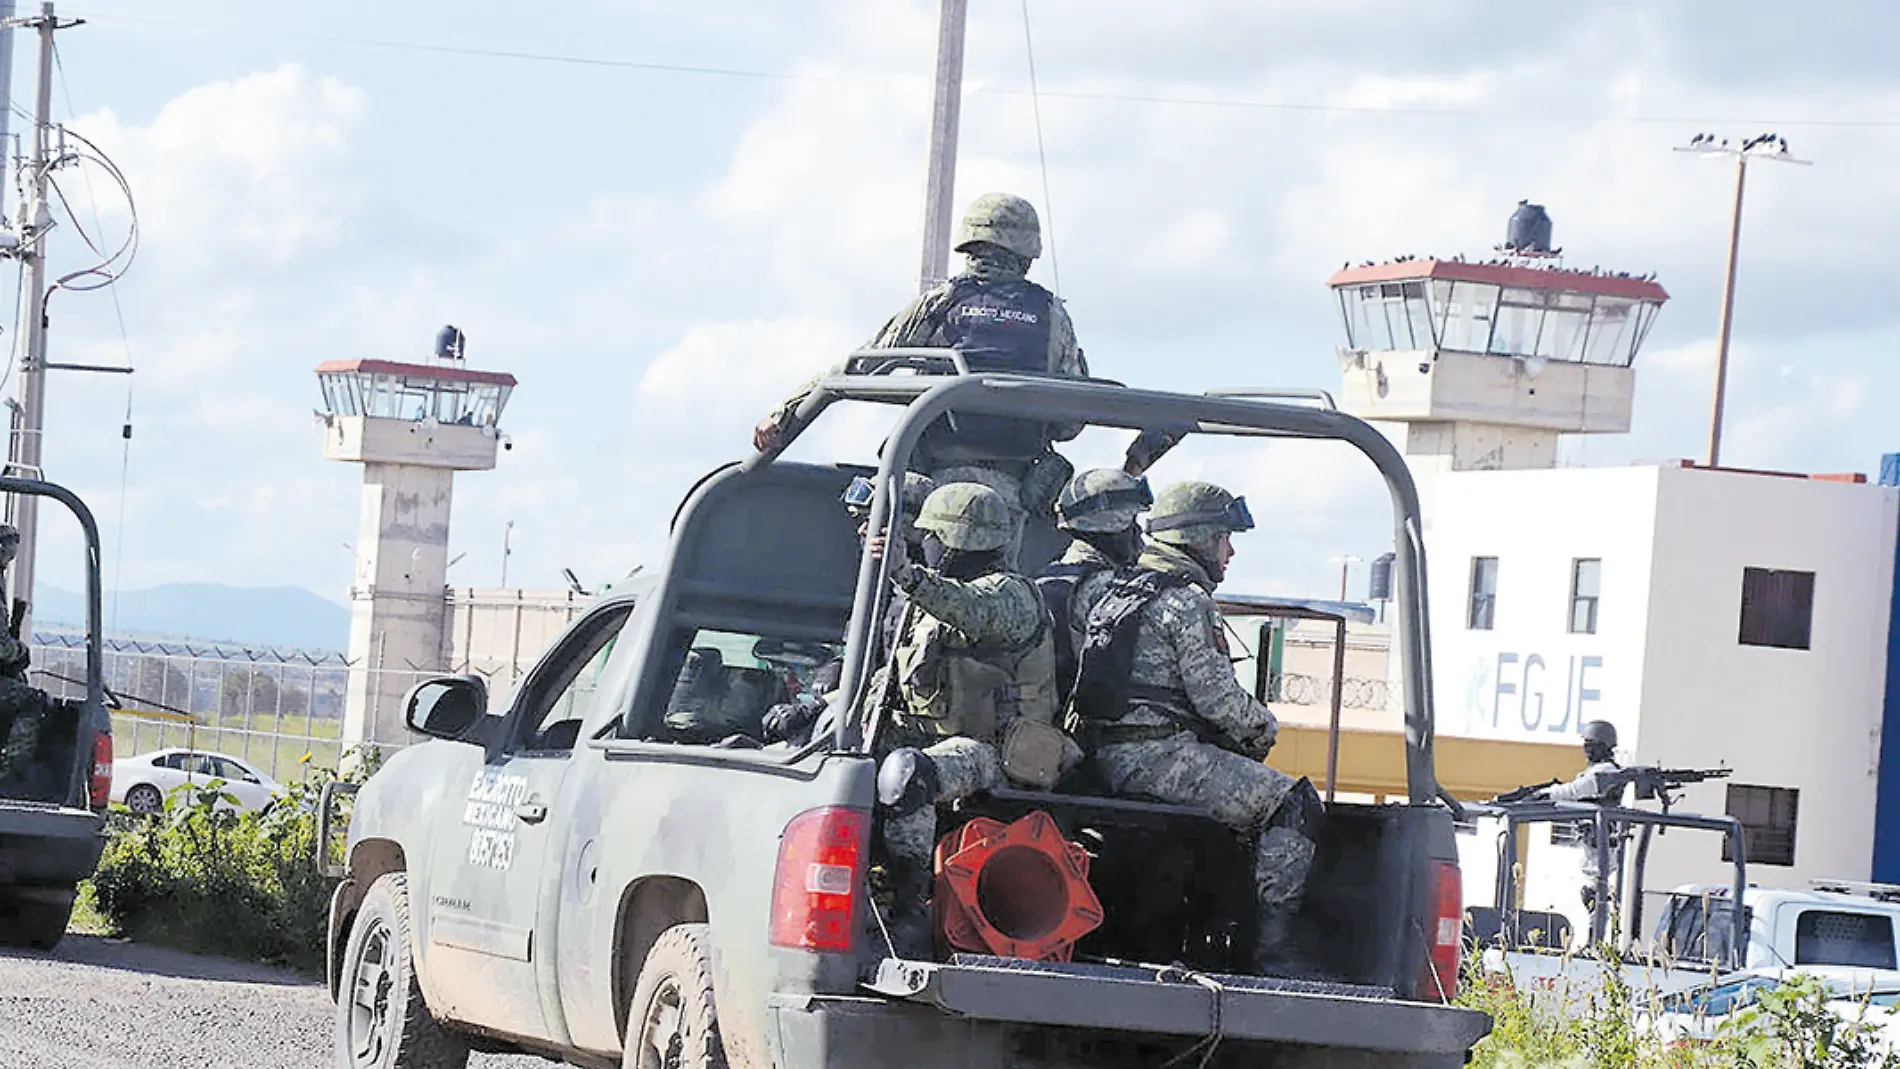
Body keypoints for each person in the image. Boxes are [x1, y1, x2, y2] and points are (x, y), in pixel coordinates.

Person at [750, 193, 1086, 567]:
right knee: (991, 592)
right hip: (1010, 488)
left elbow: (859, 365)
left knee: (912, 585)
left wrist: (785, 412)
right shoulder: (1052, 314)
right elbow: (1070, 422)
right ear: (1028, 250)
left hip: (930, 483)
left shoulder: (940, 301)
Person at [1070, 481, 1325, 973]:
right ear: (1199, 537)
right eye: (1223, 539)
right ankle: (1272, 952)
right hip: (1159, 758)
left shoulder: (1109, 588)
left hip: (1104, 758)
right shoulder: (1186, 601)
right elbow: (1218, 700)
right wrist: (1264, 731)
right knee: (1293, 804)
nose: (1229, 552)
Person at [868, 482, 1063, 956]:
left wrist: (905, 575)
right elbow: (894, 680)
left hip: (997, 751)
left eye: (931, 535)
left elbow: (975, 612)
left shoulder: (1014, 595)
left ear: (957, 540)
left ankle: (909, 908)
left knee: (908, 775)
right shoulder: (930, 603)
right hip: (932, 735)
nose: (926, 544)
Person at [761, 472, 937, 748]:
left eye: (872, 521)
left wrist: (818, 706)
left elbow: (894, 684)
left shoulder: (935, 601)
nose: (862, 531)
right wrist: (839, 670)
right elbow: (872, 660)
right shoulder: (885, 594)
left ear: (907, 527)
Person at [1035, 469, 1151, 704]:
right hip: (1088, 726)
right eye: (1132, 524)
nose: (1139, 535)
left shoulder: (1042, 580)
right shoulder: (1115, 591)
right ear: (1112, 527)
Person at [1523, 720, 1626, 912]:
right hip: (1592, 845)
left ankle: (1595, 937)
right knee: (1591, 896)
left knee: (1596, 896)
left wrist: (1545, 794)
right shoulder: (1597, 771)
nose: (1586, 751)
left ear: (1603, 746)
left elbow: (1576, 790)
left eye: (1591, 745)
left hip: (1602, 848)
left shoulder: (1606, 772)